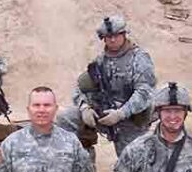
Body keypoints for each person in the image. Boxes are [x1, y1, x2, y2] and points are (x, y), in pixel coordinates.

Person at [57, 15, 156, 157]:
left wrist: (121, 113)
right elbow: (80, 88)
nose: (113, 40)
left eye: (116, 35)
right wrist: (85, 108)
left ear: (124, 34)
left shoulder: (140, 58)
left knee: (133, 160)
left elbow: (144, 93)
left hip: (130, 121)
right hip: (103, 114)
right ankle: (82, 165)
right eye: (108, 37)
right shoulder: (100, 61)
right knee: (66, 118)